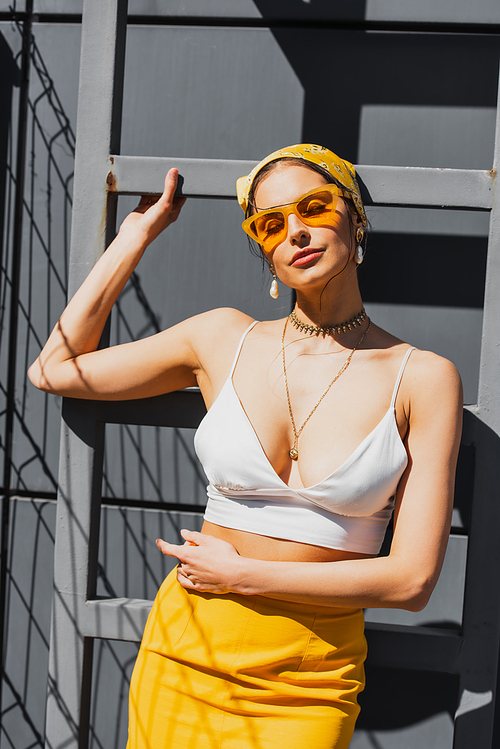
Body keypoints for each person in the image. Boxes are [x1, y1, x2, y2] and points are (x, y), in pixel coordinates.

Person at [28, 144, 463, 748]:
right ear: (262, 246)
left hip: (308, 681)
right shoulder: (221, 338)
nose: (296, 232)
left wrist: (243, 576)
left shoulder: (421, 376)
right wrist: (135, 237)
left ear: (355, 217)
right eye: (271, 223)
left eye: (314, 207)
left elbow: (411, 582)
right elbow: (54, 369)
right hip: (187, 650)